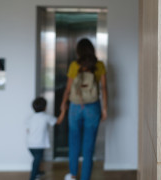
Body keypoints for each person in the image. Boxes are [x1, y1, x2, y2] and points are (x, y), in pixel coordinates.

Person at [58, 38, 108, 180]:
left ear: (78, 51)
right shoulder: (99, 65)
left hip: (75, 106)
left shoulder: (75, 65)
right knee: (89, 147)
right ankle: (85, 178)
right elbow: (104, 88)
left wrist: (63, 105)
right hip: (93, 107)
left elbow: (68, 88)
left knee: (74, 143)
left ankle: (73, 175)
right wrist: (105, 108)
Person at [26, 97, 57, 180]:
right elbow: (57, 121)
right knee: (36, 161)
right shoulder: (45, 117)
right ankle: (33, 177)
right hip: (39, 145)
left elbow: (27, 130)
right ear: (45, 107)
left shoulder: (30, 118)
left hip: (30, 145)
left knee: (37, 159)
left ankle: (38, 172)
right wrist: (64, 111)